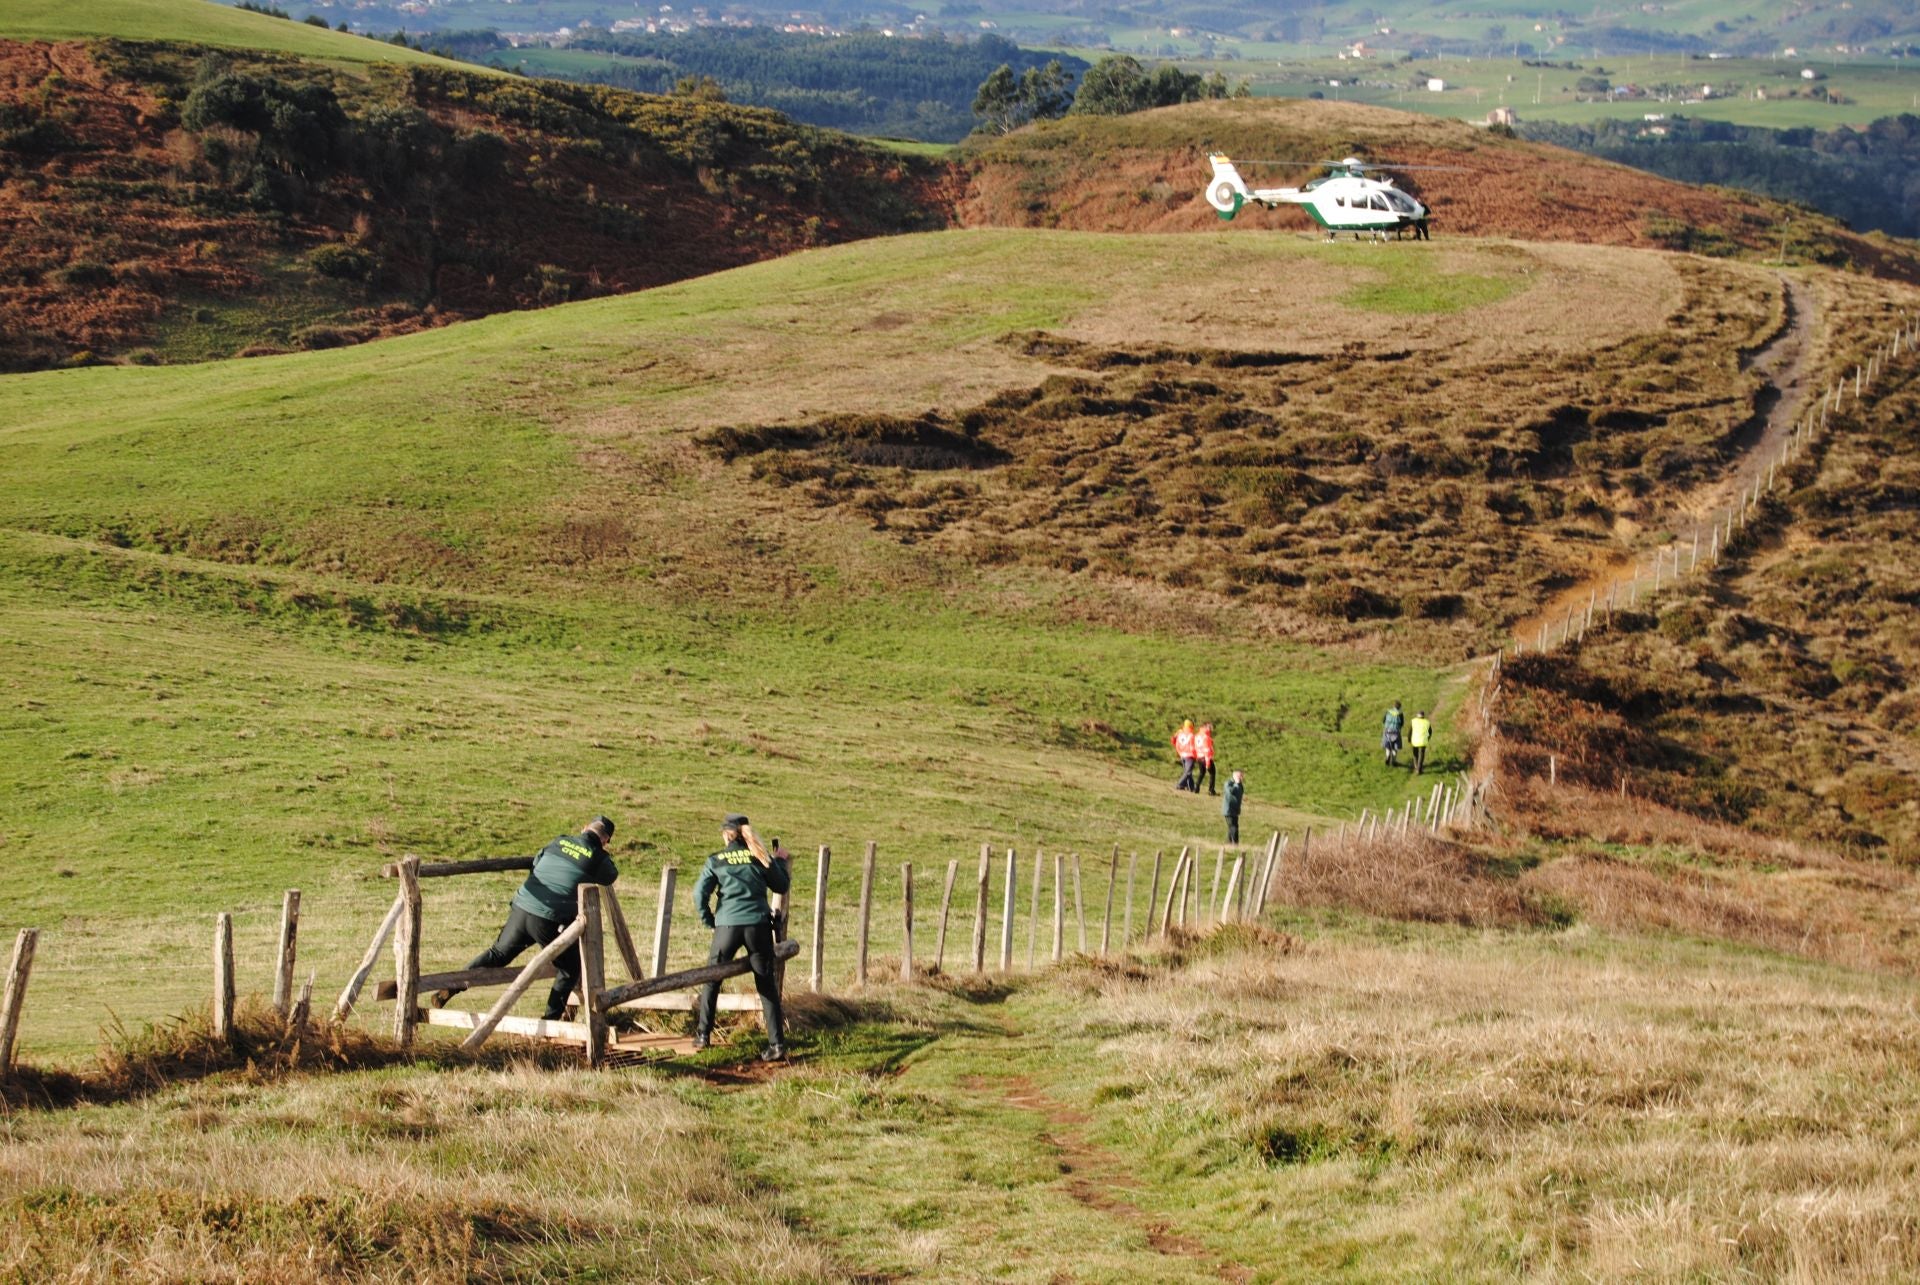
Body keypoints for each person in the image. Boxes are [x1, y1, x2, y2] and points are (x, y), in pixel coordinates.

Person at [439, 815, 618, 1019]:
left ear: (584, 827)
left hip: (523, 905)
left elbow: (536, 862)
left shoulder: (559, 841)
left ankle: (452, 986)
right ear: (605, 840)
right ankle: (549, 1021)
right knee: (569, 969)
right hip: (549, 919)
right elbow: (610, 876)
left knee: (497, 954)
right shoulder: (598, 857)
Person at [692, 813, 790, 1060]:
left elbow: (698, 895)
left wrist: (710, 921)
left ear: (727, 835)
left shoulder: (716, 860)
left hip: (727, 927)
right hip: (757, 926)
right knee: (765, 983)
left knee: (713, 979)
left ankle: (703, 1035)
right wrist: (777, 861)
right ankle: (777, 1044)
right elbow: (781, 885)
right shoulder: (760, 855)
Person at [1172, 719, 1198, 792]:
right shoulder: (1192, 735)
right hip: (1190, 756)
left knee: (1188, 772)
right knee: (1188, 772)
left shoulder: (1180, 733)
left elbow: (1174, 741)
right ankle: (1179, 784)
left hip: (1182, 755)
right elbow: (1193, 747)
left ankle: (1191, 787)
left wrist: (1179, 752)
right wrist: (1196, 756)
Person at [1195, 722, 1218, 796]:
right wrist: (1208, 761)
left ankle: (1196, 787)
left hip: (1199, 757)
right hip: (1205, 757)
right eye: (1210, 727)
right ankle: (1211, 790)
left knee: (1202, 773)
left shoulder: (1197, 736)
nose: (1211, 729)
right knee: (1212, 773)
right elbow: (1207, 750)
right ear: (1206, 728)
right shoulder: (1206, 737)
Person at [1222, 770, 1244, 844]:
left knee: (1232, 826)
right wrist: (1236, 784)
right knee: (1233, 827)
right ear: (1235, 776)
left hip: (1235, 810)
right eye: (1240, 776)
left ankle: (1230, 842)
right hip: (1229, 809)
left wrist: (1238, 784)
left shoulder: (1240, 785)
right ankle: (1235, 843)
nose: (1241, 778)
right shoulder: (1228, 783)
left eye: (1242, 776)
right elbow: (1230, 791)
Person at [1382, 700, 1405, 767]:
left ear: (1393, 706)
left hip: (1387, 731)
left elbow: (1383, 721)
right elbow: (1402, 724)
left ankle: (1388, 756)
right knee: (1395, 747)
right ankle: (1394, 761)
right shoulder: (1400, 714)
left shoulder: (1388, 712)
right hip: (1396, 732)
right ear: (1399, 707)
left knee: (1388, 746)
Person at [1408, 710, 1432, 775]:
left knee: (1415, 754)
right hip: (1423, 741)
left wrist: (1409, 739)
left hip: (1415, 740)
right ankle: (1419, 769)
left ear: (1417, 715)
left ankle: (1416, 766)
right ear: (1423, 716)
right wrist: (1427, 738)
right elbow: (1430, 732)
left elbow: (1410, 731)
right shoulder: (1427, 722)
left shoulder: (1413, 721)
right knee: (1421, 755)